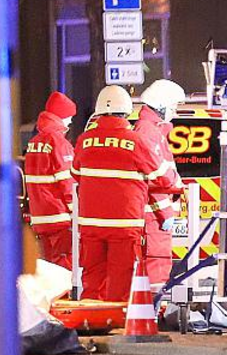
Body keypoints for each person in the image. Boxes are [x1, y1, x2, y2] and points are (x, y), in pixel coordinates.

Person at [72, 86, 180, 302]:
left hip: (91, 225)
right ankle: (115, 322)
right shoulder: (135, 141)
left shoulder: (84, 140)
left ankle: (92, 321)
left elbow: (76, 173)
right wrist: (177, 184)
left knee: (92, 277)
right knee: (120, 279)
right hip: (124, 224)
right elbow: (162, 177)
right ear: (127, 111)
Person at [132, 79, 186, 285]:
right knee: (157, 264)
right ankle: (155, 308)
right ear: (161, 106)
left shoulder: (153, 131)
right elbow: (155, 177)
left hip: (155, 212)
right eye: (173, 107)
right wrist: (165, 212)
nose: (174, 111)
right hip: (153, 214)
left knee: (158, 262)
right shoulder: (149, 133)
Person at [24, 91, 78, 268]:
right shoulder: (59, 143)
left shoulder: (34, 143)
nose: (70, 122)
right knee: (64, 268)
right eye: (69, 117)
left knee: (48, 269)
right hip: (60, 218)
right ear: (61, 117)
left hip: (40, 217)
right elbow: (67, 183)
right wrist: (75, 212)